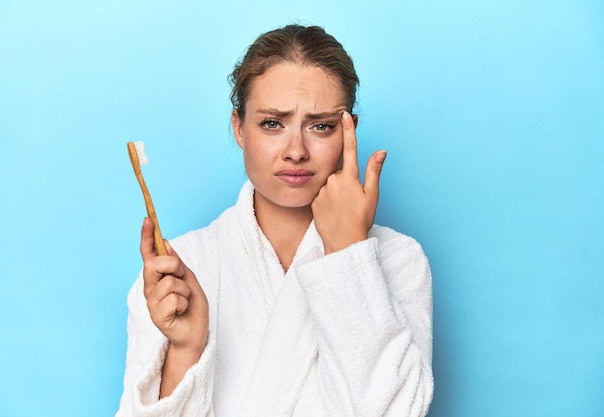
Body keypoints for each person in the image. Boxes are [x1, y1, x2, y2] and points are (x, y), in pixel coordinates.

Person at [116, 24, 433, 417]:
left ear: (348, 130)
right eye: (272, 123)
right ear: (238, 127)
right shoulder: (181, 273)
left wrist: (349, 253)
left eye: (321, 125)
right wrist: (185, 351)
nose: (296, 151)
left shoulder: (399, 261)